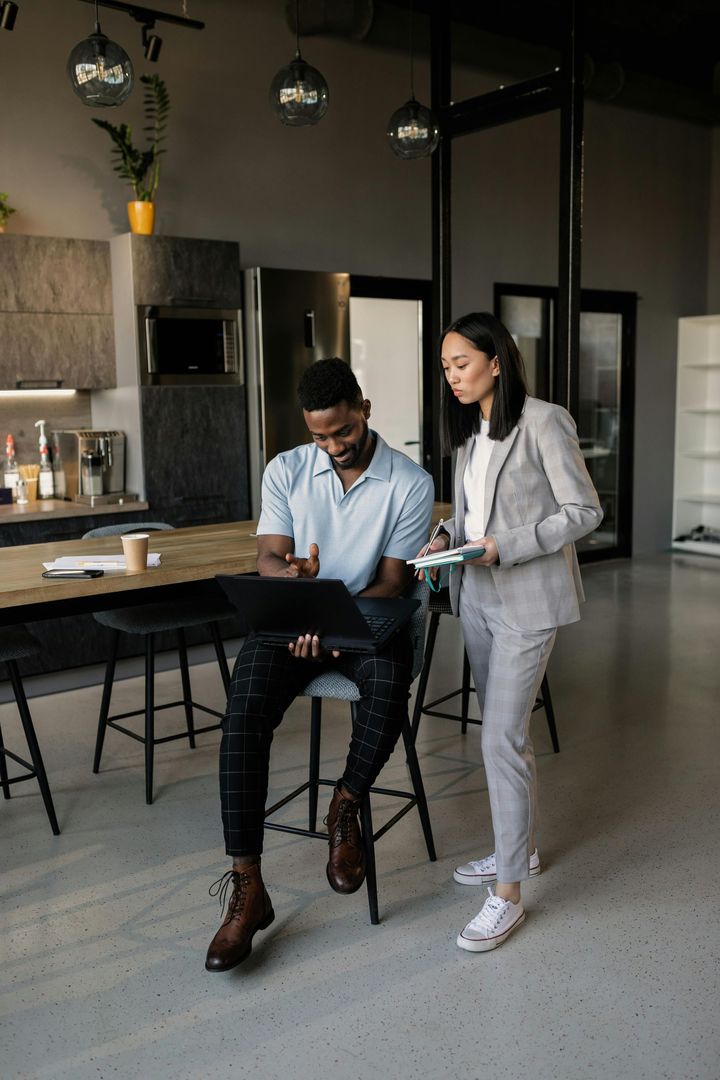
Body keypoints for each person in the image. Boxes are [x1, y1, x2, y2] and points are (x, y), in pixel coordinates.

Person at [206, 357, 434, 972]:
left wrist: (331, 622)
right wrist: (293, 579)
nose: (332, 446)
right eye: (319, 436)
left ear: (364, 408)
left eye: (342, 432)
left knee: (388, 681)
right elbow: (269, 558)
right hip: (291, 625)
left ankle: (345, 805)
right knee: (243, 712)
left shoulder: (410, 483)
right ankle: (247, 887)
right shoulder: (286, 469)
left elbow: (391, 584)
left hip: (367, 623)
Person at [418, 311, 602, 953]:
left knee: (500, 736)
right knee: (504, 736)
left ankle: (508, 896)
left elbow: (584, 511)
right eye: (445, 367)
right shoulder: (470, 432)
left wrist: (509, 546)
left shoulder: (544, 421)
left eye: (461, 364)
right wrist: (446, 539)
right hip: (479, 601)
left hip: (527, 601)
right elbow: (471, 514)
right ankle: (513, 853)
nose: (453, 377)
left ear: (497, 360)